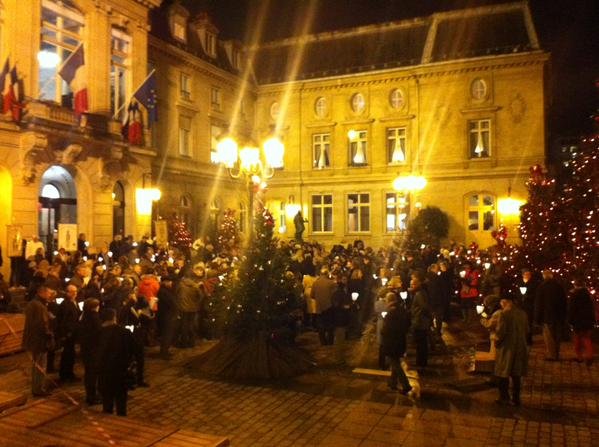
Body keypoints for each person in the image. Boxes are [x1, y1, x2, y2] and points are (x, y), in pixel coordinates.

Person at [96, 308, 135, 416]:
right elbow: (133, 349)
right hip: (120, 370)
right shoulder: (124, 332)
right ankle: (121, 417)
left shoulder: (99, 333)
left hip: (105, 370)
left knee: (107, 397)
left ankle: (107, 414)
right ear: (114, 317)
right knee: (121, 398)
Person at [494, 297, 529, 406]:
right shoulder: (523, 314)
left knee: (503, 373)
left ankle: (504, 397)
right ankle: (516, 398)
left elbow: (501, 332)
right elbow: (527, 330)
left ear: (505, 303)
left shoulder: (504, 314)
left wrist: (496, 341)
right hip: (520, 347)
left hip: (507, 348)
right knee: (516, 374)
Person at [21, 285, 54, 396]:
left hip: (33, 339)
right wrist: (50, 335)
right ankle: (38, 389)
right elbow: (42, 325)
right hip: (39, 341)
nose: (50, 295)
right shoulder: (40, 306)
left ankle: (36, 388)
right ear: (42, 293)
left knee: (36, 365)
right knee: (40, 366)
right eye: (49, 293)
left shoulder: (32, 304)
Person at [381, 292, 412, 395]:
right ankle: (392, 382)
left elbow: (386, 330)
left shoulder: (391, 312)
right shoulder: (401, 309)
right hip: (400, 340)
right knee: (395, 361)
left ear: (389, 300)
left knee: (395, 363)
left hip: (392, 342)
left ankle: (406, 385)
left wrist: (383, 328)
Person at [534, 269, 567, 361]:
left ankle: (552, 355)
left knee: (549, 337)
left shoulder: (542, 287)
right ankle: (556, 353)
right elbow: (564, 302)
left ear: (544, 276)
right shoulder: (559, 286)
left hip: (547, 316)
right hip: (558, 315)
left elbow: (539, 304)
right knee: (557, 336)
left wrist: (537, 318)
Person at [176, 262, 206, 348]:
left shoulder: (181, 285)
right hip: (193, 308)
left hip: (183, 308)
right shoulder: (195, 286)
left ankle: (184, 343)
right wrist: (196, 303)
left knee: (184, 326)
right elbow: (201, 296)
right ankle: (192, 343)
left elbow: (177, 294)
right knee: (191, 325)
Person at [79, 298, 102, 405]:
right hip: (93, 349)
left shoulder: (84, 316)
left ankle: (90, 394)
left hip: (85, 348)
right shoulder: (94, 317)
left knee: (89, 372)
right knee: (92, 374)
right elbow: (98, 333)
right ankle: (92, 396)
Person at [568, 278, 595, 365]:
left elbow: (572, 309)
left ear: (575, 285)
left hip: (578, 320)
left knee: (577, 339)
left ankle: (579, 357)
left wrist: (570, 320)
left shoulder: (575, 295)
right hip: (588, 320)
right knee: (586, 338)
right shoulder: (588, 295)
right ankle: (589, 356)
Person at [57, 285, 81, 382]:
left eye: (75, 291)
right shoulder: (66, 304)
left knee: (71, 353)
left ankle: (69, 373)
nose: (74, 293)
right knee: (67, 354)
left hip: (73, 332)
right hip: (68, 334)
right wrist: (66, 333)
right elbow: (64, 320)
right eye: (72, 292)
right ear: (67, 292)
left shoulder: (74, 302)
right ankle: (65, 374)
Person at [311, 266, 337, 345]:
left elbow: (312, 295)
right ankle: (330, 341)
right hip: (328, 306)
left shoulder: (315, 283)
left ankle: (323, 341)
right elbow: (334, 295)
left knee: (320, 325)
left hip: (319, 307)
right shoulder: (331, 283)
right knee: (330, 324)